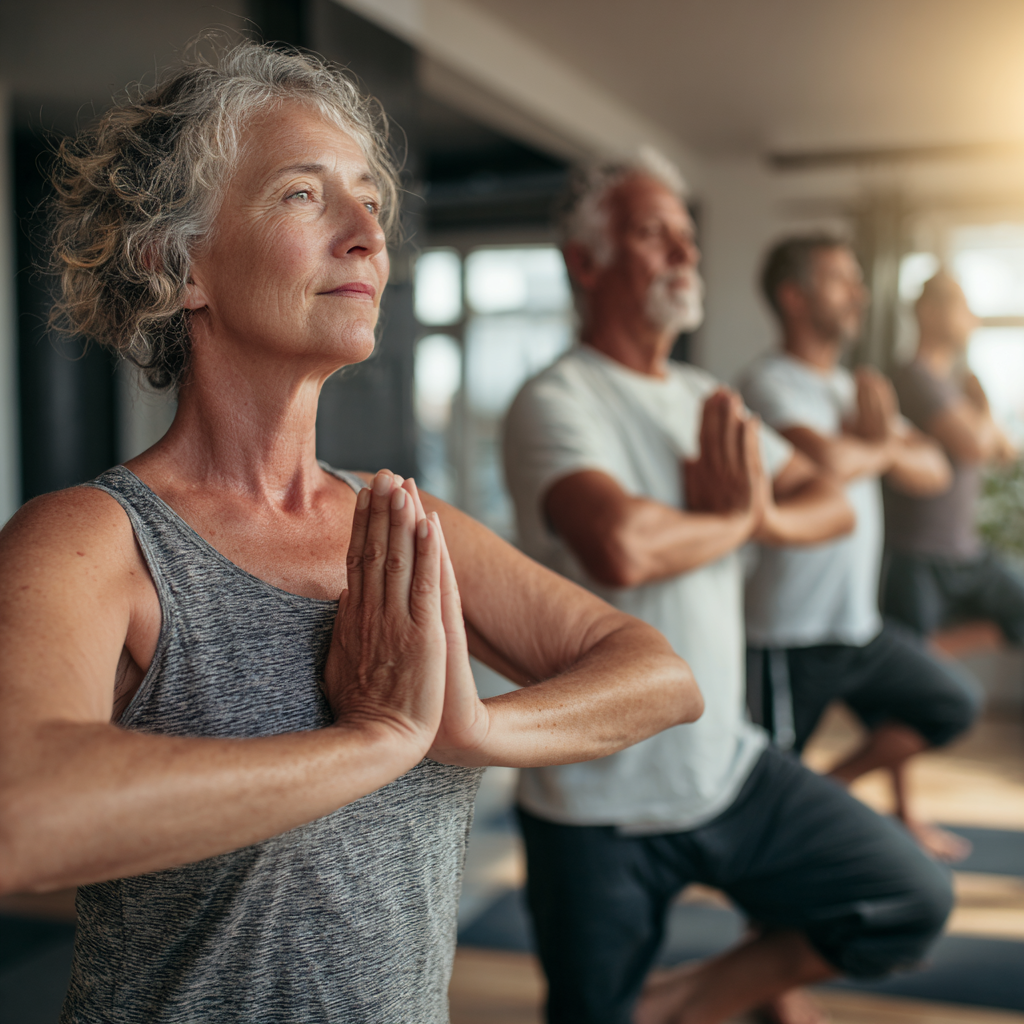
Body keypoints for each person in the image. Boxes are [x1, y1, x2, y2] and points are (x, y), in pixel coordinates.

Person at [0, 43, 703, 1024]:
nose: (368, 234)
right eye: (301, 194)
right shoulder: (95, 541)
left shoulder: (401, 523)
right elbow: (23, 814)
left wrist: (472, 730)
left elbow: (660, 674)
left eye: (369, 197)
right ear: (180, 262)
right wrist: (378, 741)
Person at [503, 159, 953, 1024]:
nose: (682, 252)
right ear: (584, 264)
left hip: (727, 766)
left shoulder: (707, 395)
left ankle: (684, 1005)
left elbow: (830, 505)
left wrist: (756, 519)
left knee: (910, 896)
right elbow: (623, 544)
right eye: (651, 233)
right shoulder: (556, 400)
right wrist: (749, 515)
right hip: (596, 804)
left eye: (688, 236)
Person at [740, 236, 983, 864]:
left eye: (857, 278)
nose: (859, 293)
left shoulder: (853, 389)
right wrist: (882, 448)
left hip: (856, 627)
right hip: (787, 635)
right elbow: (823, 460)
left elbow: (935, 469)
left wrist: (870, 447)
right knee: (765, 788)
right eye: (840, 280)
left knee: (951, 703)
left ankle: (830, 791)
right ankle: (770, 909)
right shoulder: (768, 383)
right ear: (794, 298)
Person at [883, 270, 1023, 642]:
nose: (973, 320)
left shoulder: (956, 385)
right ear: (929, 312)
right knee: (911, 676)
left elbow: (1005, 451)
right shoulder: (913, 377)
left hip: (966, 551)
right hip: (918, 555)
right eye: (964, 309)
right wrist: (983, 412)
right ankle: (933, 659)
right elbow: (974, 445)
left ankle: (938, 655)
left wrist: (982, 415)